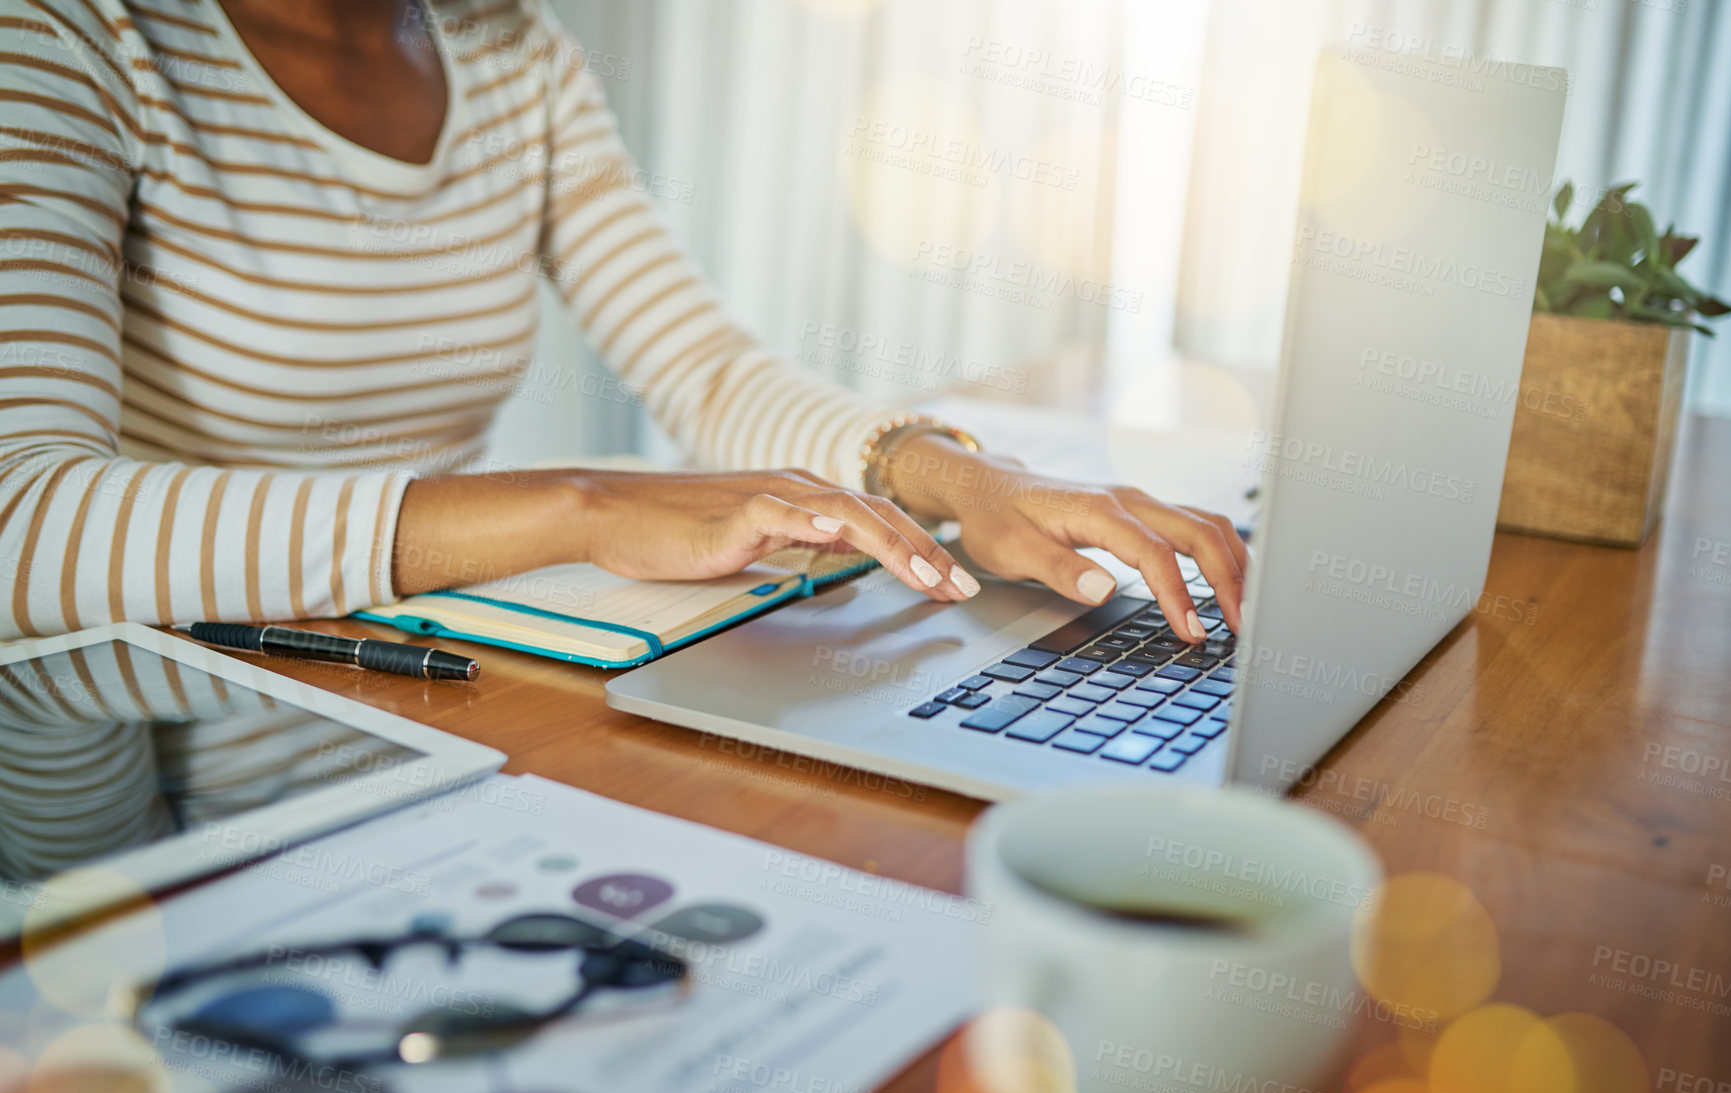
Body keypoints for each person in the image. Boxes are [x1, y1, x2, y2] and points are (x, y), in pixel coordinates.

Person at [0, 0, 1248, 645]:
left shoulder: (511, 53)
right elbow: (24, 520)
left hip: (426, 672)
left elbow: (698, 365)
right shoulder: (71, 38)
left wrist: (951, 474)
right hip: (139, 731)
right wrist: (581, 507)